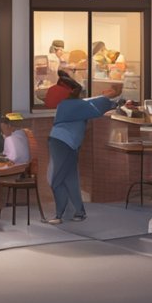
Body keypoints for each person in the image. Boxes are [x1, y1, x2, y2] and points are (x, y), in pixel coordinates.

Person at [47, 81, 123, 224]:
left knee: (68, 179)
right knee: (58, 180)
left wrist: (115, 101)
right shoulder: (76, 106)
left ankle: (72, 213)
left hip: (63, 143)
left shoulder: (68, 105)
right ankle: (61, 215)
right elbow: (96, 106)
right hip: (64, 144)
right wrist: (112, 97)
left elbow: (93, 103)